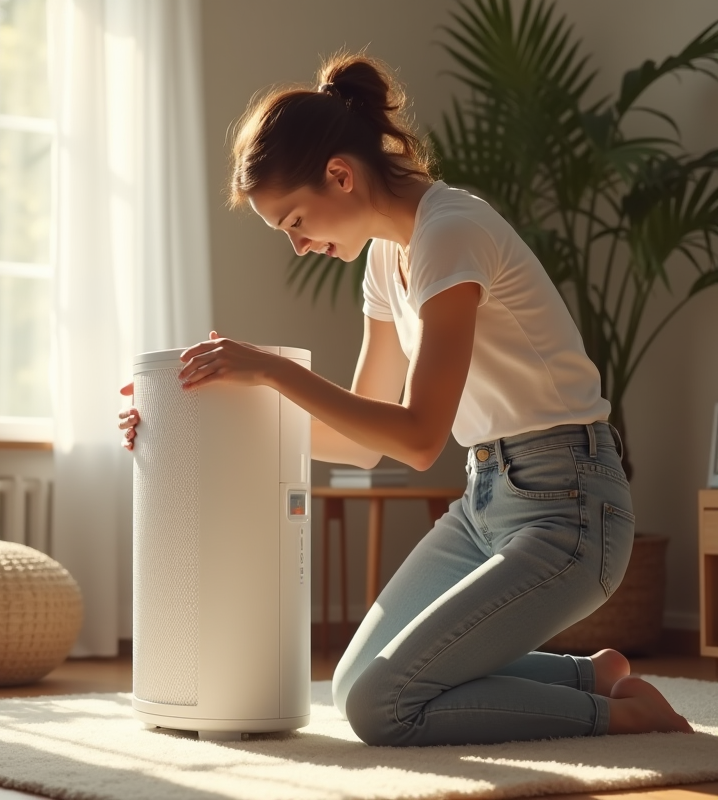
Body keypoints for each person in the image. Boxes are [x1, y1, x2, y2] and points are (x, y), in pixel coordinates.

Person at [117, 52, 693, 747]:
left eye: (296, 220)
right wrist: (198, 419)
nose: (298, 245)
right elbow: (362, 443)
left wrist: (271, 372)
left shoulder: (450, 232)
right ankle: (591, 678)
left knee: (382, 707)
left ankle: (625, 718)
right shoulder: (385, 259)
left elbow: (419, 438)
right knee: (355, 682)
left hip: (570, 509)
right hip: (486, 499)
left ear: (340, 175)